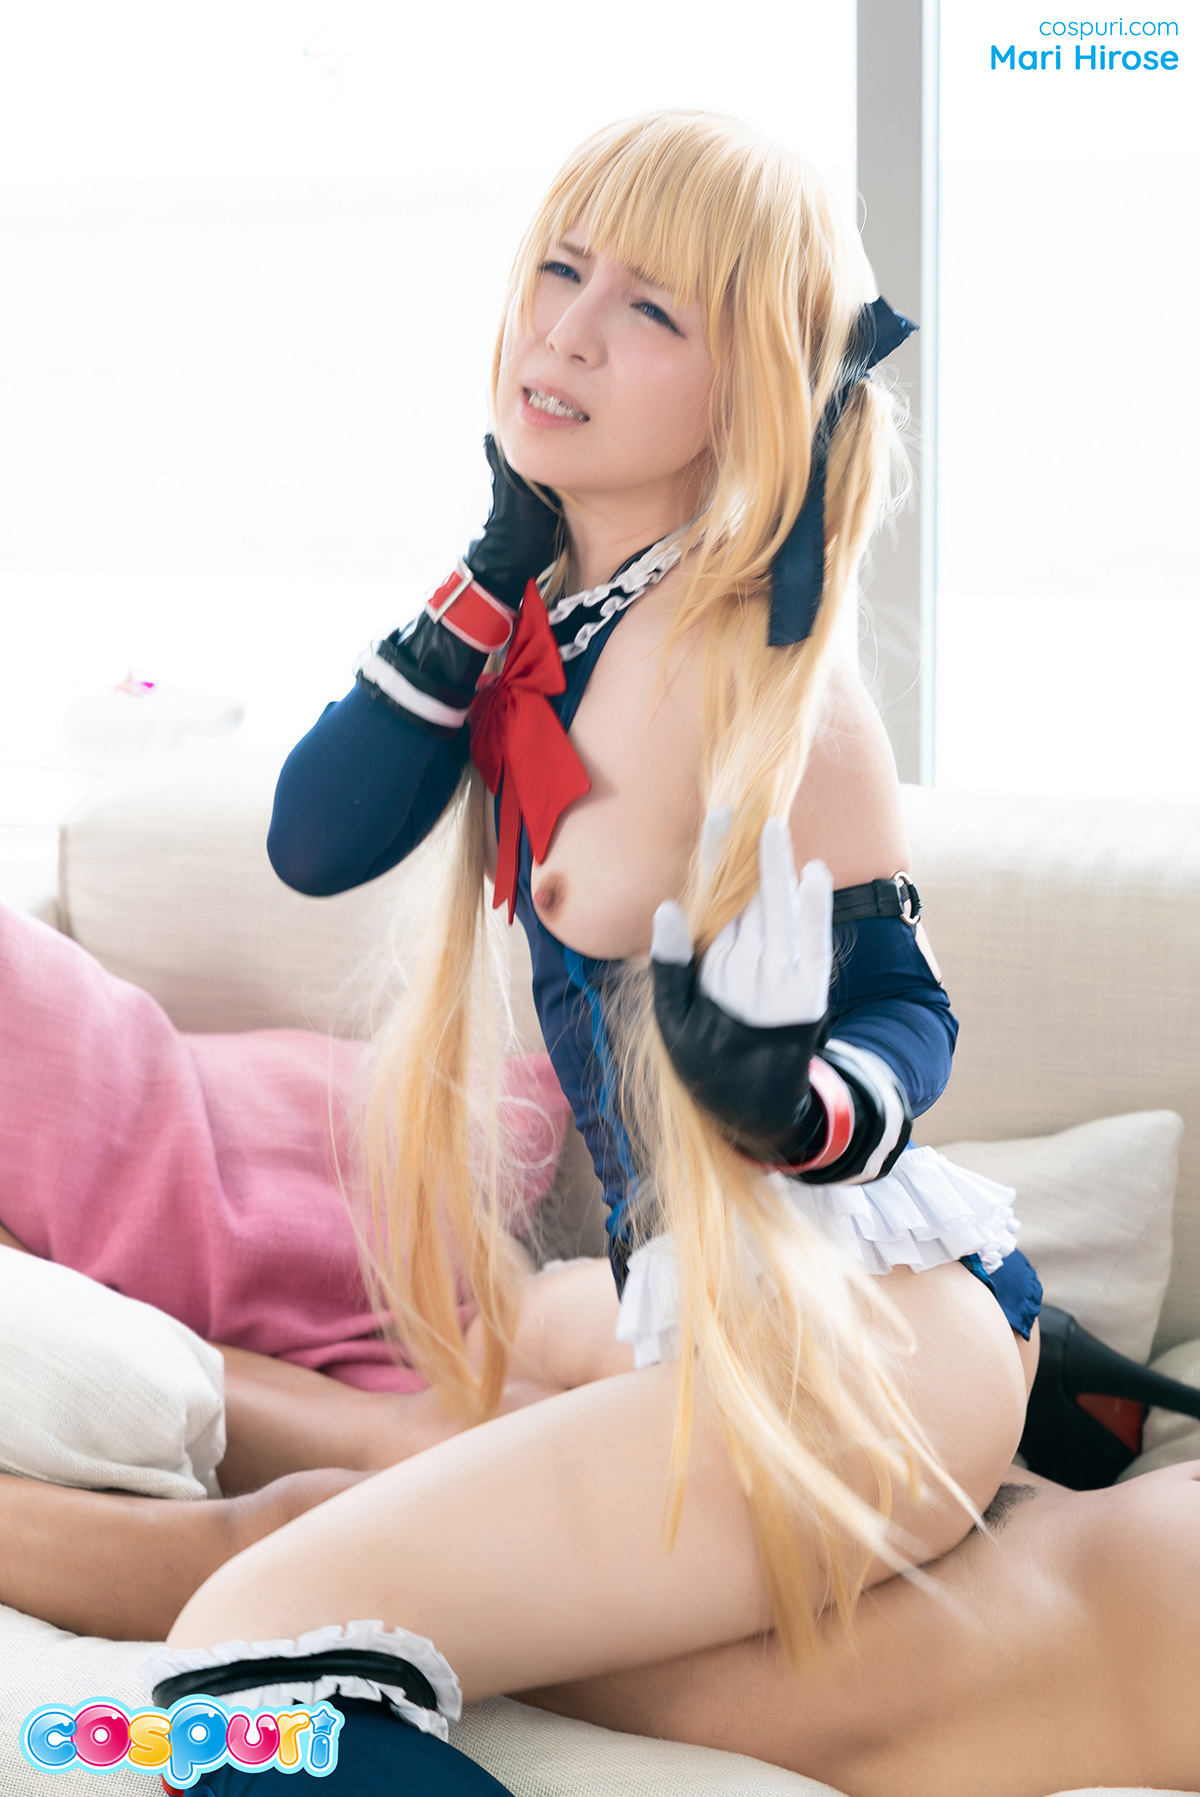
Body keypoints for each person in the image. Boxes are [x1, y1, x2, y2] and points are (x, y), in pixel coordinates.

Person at [148, 110, 1051, 1793]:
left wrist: (790, 1102)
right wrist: (495, 556)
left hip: (862, 1324)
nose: (565, 329)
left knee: (241, 1659)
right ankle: (1086, 1401)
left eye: (649, 309)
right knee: (537, 1325)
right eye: (559, 271)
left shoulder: (751, 654)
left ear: (753, 385)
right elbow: (315, 838)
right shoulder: (554, 618)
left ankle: (1044, 1386)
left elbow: (902, 1010)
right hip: (682, 1296)